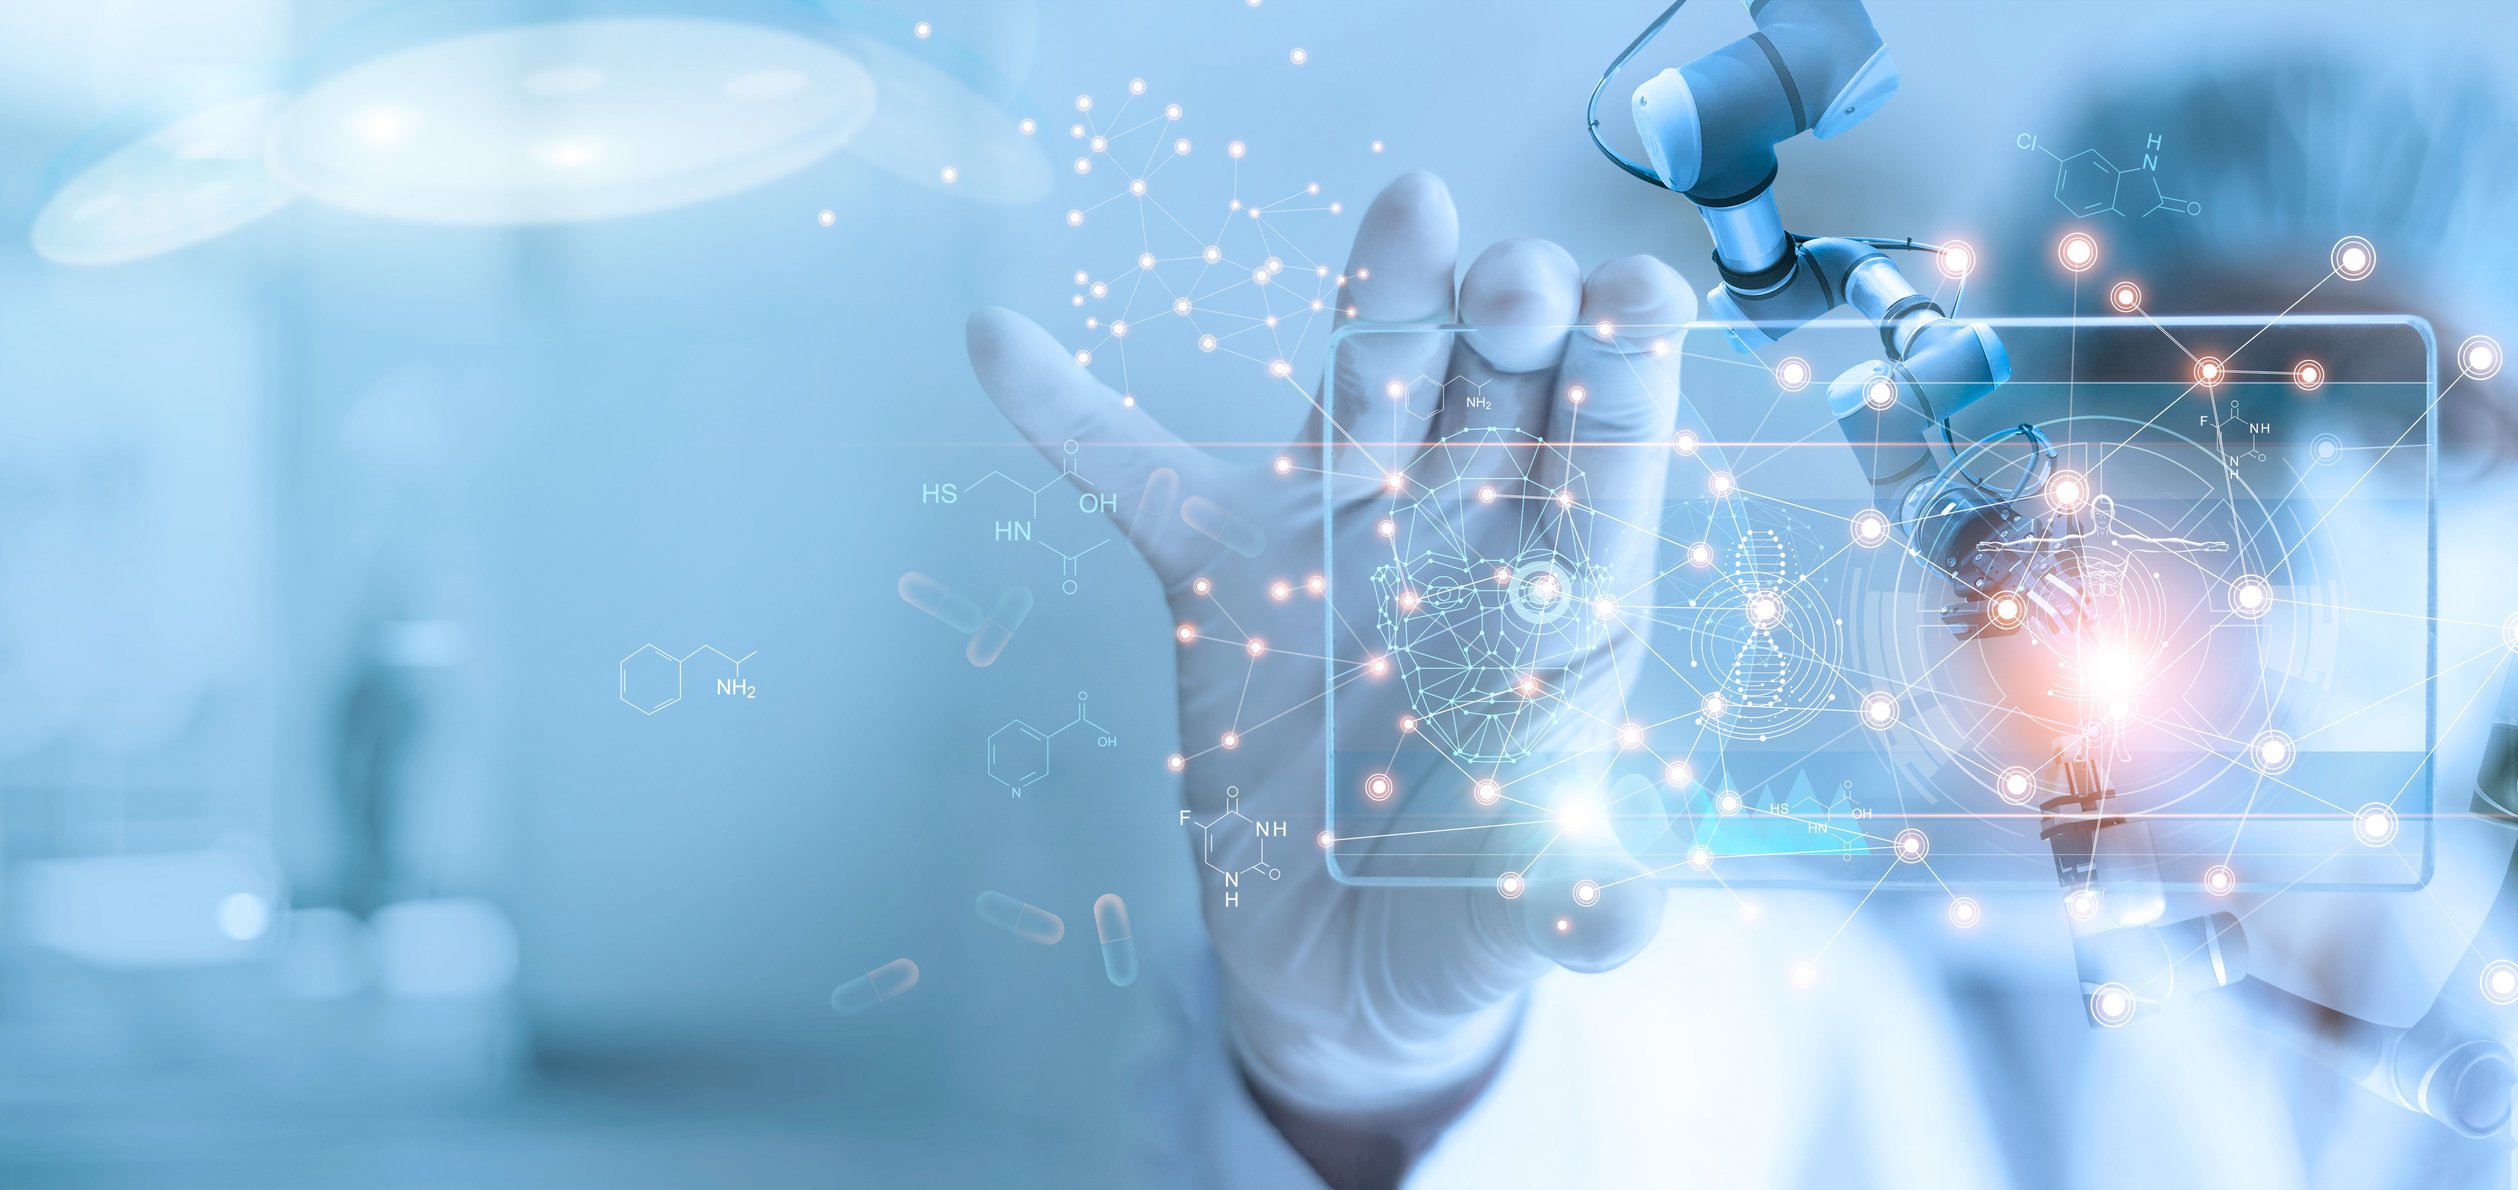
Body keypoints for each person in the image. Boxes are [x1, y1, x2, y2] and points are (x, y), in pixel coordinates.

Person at [963, 49, 2518, 1190]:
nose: (2302, 488)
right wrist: (1382, 1080)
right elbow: (1638, 1082)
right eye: (2209, 407)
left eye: (2416, 414)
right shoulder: (1820, 960)